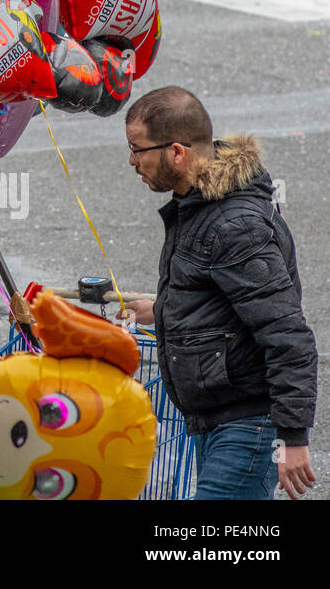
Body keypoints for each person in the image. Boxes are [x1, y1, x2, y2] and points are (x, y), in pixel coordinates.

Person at [123, 86, 317, 500]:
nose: (132, 161)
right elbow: (223, 300)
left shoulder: (234, 224)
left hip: (248, 427)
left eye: (137, 149)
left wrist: (292, 438)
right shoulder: (196, 205)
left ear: (177, 152)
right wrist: (161, 310)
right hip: (214, 421)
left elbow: (287, 333)